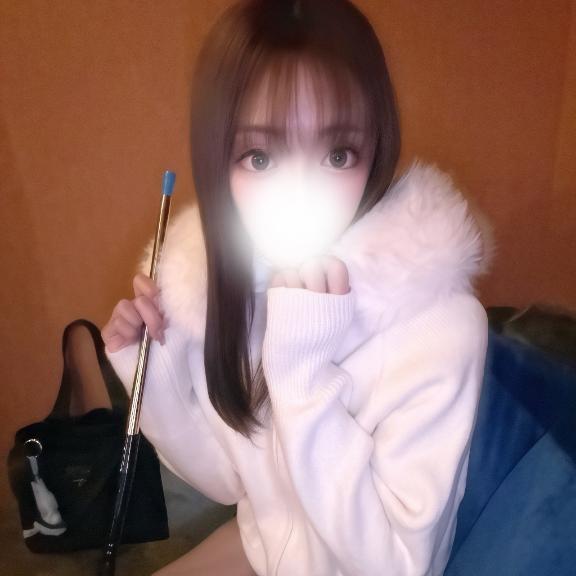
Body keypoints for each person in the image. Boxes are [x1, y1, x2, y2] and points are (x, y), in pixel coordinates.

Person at [102, 0, 495, 574]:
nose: (301, 192)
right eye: (260, 157)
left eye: (337, 154)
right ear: (216, 162)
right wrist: (153, 367)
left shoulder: (439, 327)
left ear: (376, 149)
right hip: (260, 550)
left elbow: (398, 566)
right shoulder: (229, 293)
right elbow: (227, 482)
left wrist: (303, 378)